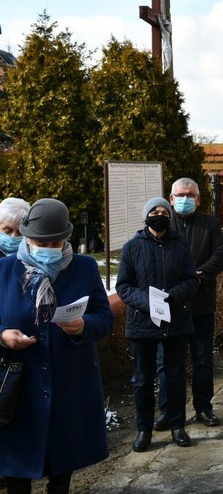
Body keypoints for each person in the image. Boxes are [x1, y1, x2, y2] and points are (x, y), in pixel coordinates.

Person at [0, 198, 114, 493]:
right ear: (26, 236)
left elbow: (104, 317)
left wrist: (84, 326)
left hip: (69, 385)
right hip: (19, 388)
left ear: (66, 238)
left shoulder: (85, 268)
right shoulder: (4, 270)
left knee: (61, 471)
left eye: (55, 243)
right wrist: (3, 336)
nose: (48, 250)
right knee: (16, 473)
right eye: (40, 242)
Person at [117, 197, 200, 452]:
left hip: (175, 321)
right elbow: (123, 286)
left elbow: (191, 280)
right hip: (142, 323)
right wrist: (148, 301)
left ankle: (177, 425)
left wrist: (171, 296)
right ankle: (144, 430)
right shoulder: (132, 247)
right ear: (146, 216)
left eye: (164, 211)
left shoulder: (181, 246)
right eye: (154, 211)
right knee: (142, 379)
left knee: (174, 377)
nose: (159, 215)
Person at [153, 178, 223, 431]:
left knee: (203, 359)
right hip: (170, 305)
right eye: (180, 195)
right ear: (171, 199)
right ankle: (168, 411)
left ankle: (204, 408)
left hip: (201, 304)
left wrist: (199, 275)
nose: (185, 199)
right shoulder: (163, 223)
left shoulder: (209, 224)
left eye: (190, 195)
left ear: (198, 199)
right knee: (167, 363)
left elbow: (220, 256)